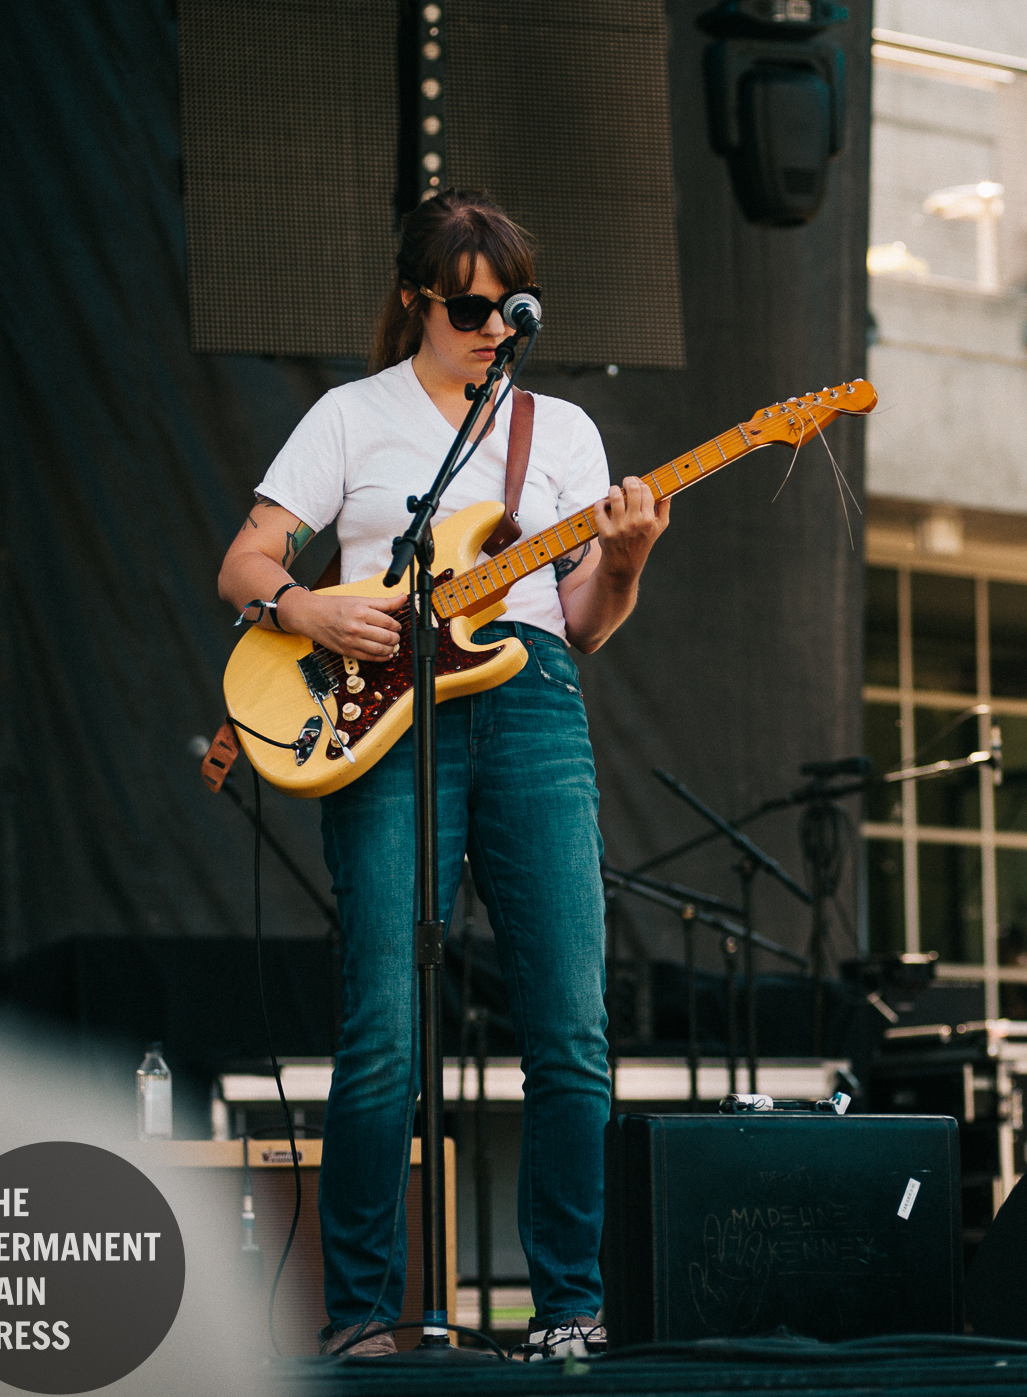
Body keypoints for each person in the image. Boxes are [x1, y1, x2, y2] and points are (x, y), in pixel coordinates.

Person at [216, 191, 669, 1358]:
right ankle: (364, 1311)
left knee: (570, 1025)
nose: (491, 327)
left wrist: (622, 560)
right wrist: (309, 603)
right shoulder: (352, 416)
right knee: (384, 1029)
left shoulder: (560, 431)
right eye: (469, 305)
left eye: (509, 308)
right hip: (386, 720)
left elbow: (586, 621)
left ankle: (569, 1306)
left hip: (532, 707)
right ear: (418, 295)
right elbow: (247, 559)